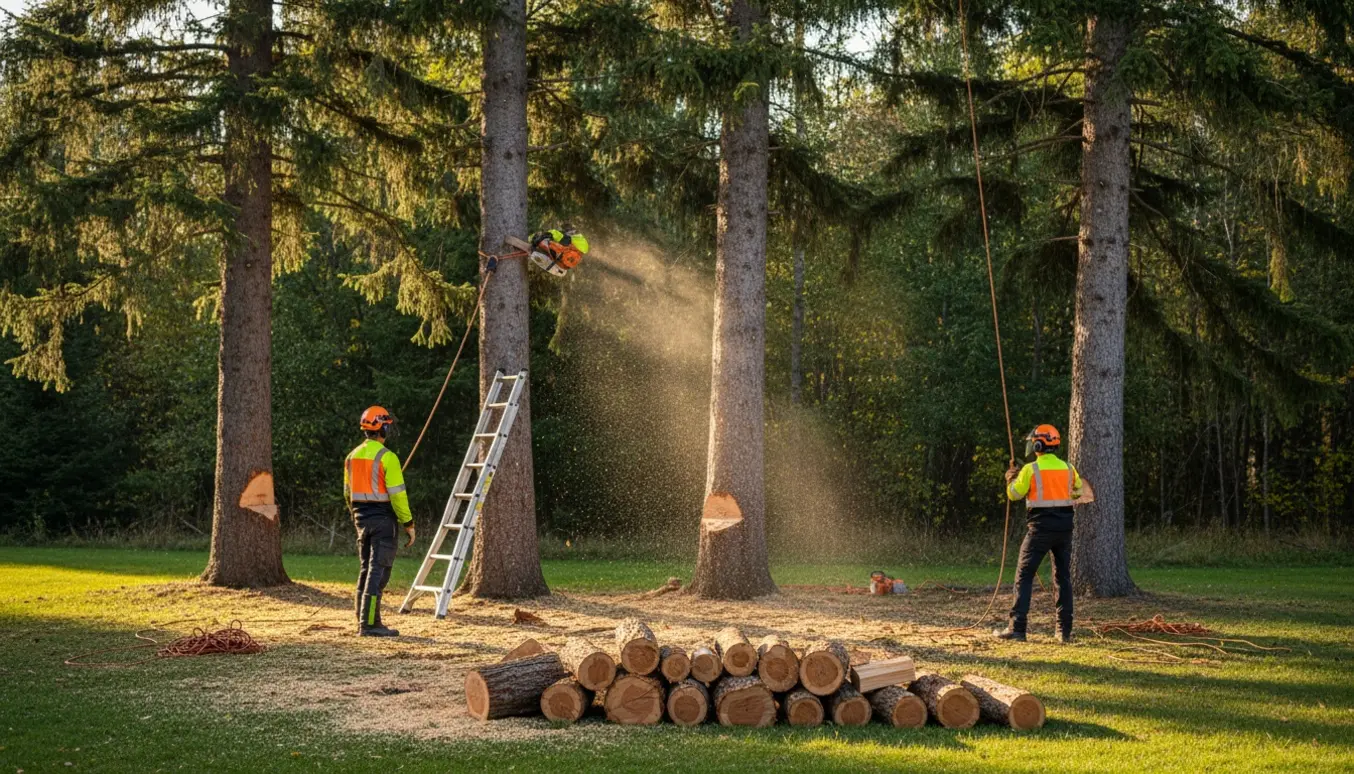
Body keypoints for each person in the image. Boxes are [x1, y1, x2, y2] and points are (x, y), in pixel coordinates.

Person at [994, 424, 1082, 643]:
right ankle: (1064, 632)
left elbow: (1014, 494)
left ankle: (1017, 629)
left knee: (1024, 576)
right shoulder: (1068, 468)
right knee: (1063, 578)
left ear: (1038, 444)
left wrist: (1010, 479)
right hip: (1064, 530)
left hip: (1040, 529)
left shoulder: (1030, 470)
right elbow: (1078, 490)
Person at [345, 406, 416, 637]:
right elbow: (397, 495)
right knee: (379, 572)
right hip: (384, 520)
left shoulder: (351, 457)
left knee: (366, 570)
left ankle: (364, 620)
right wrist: (408, 523)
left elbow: (347, 492)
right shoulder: (388, 457)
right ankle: (369, 625)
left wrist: (355, 515)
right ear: (383, 427)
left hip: (360, 517)